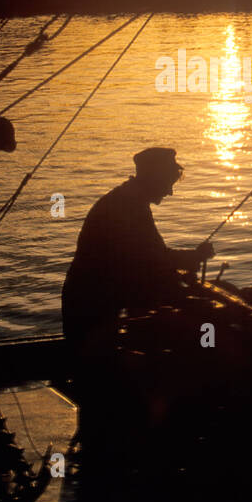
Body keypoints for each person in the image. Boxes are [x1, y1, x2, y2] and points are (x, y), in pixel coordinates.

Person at [60, 147, 214, 356]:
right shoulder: (127, 208)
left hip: (93, 299)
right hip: (91, 307)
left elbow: (150, 257)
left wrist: (188, 259)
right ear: (154, 179)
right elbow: (155, 258)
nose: (170, 192)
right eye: (168, 184)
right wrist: (193, 257)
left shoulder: (127, 199)